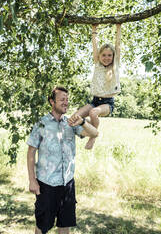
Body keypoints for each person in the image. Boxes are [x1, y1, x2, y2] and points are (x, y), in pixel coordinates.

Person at [27, 86, 99, 234]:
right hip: (47, 184)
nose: (66, 102)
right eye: (62, 99)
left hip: (67, 183)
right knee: (42, 226)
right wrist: (32, 180)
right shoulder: (41, 124)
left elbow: (95, 133)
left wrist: (82, 122)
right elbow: (30, 154)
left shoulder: (71, 123)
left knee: (65, 224)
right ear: (52, 102)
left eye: (67, 99)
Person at [69, 24, 122, 149]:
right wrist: (94, 30)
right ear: (99, 56)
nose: (106, 58)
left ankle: (93, 137)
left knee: (93, 112)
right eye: (103, 55)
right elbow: (95, 45)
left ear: (113, 57)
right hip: (94, 100)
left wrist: (118, 27)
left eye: (109, 55)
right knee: (74, 118)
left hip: (107, 104)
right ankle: (87, 130)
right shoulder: (97, 64)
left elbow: (118, 45)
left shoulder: (114, 65)